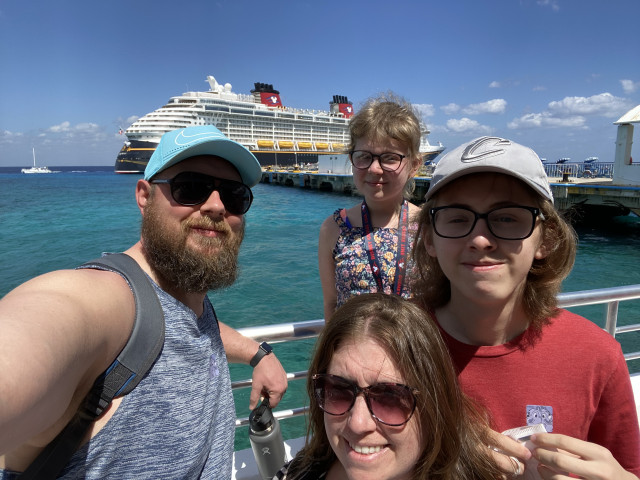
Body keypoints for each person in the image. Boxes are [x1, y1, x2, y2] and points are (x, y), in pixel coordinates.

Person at [0, 125, 288, 478]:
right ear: (144, 196)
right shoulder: (104, 301)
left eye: (234, 195)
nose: (216, 206)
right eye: (190, 188)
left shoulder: (186, 295)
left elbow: (194, 329)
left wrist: (257, 353)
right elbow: (37, 332)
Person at [412, 136, 640, 478]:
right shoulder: (393, 348)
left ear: (545, 239)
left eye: (506, 218)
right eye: (457, 218)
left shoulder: (597, 356)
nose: (480, 238)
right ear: (429, 238)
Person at [277, 293, 504, 480]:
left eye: (389, 397)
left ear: (433, 406)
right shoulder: (296, 474)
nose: (358, 424)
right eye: (338, 391)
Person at [318, 93, 423, 322]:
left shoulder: (430, 226)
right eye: (364, 156)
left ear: (414, 165)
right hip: (352, 353)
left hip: (415, 355)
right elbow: (331, 305)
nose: (375, 168)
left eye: (390, 157)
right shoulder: (334, 228)